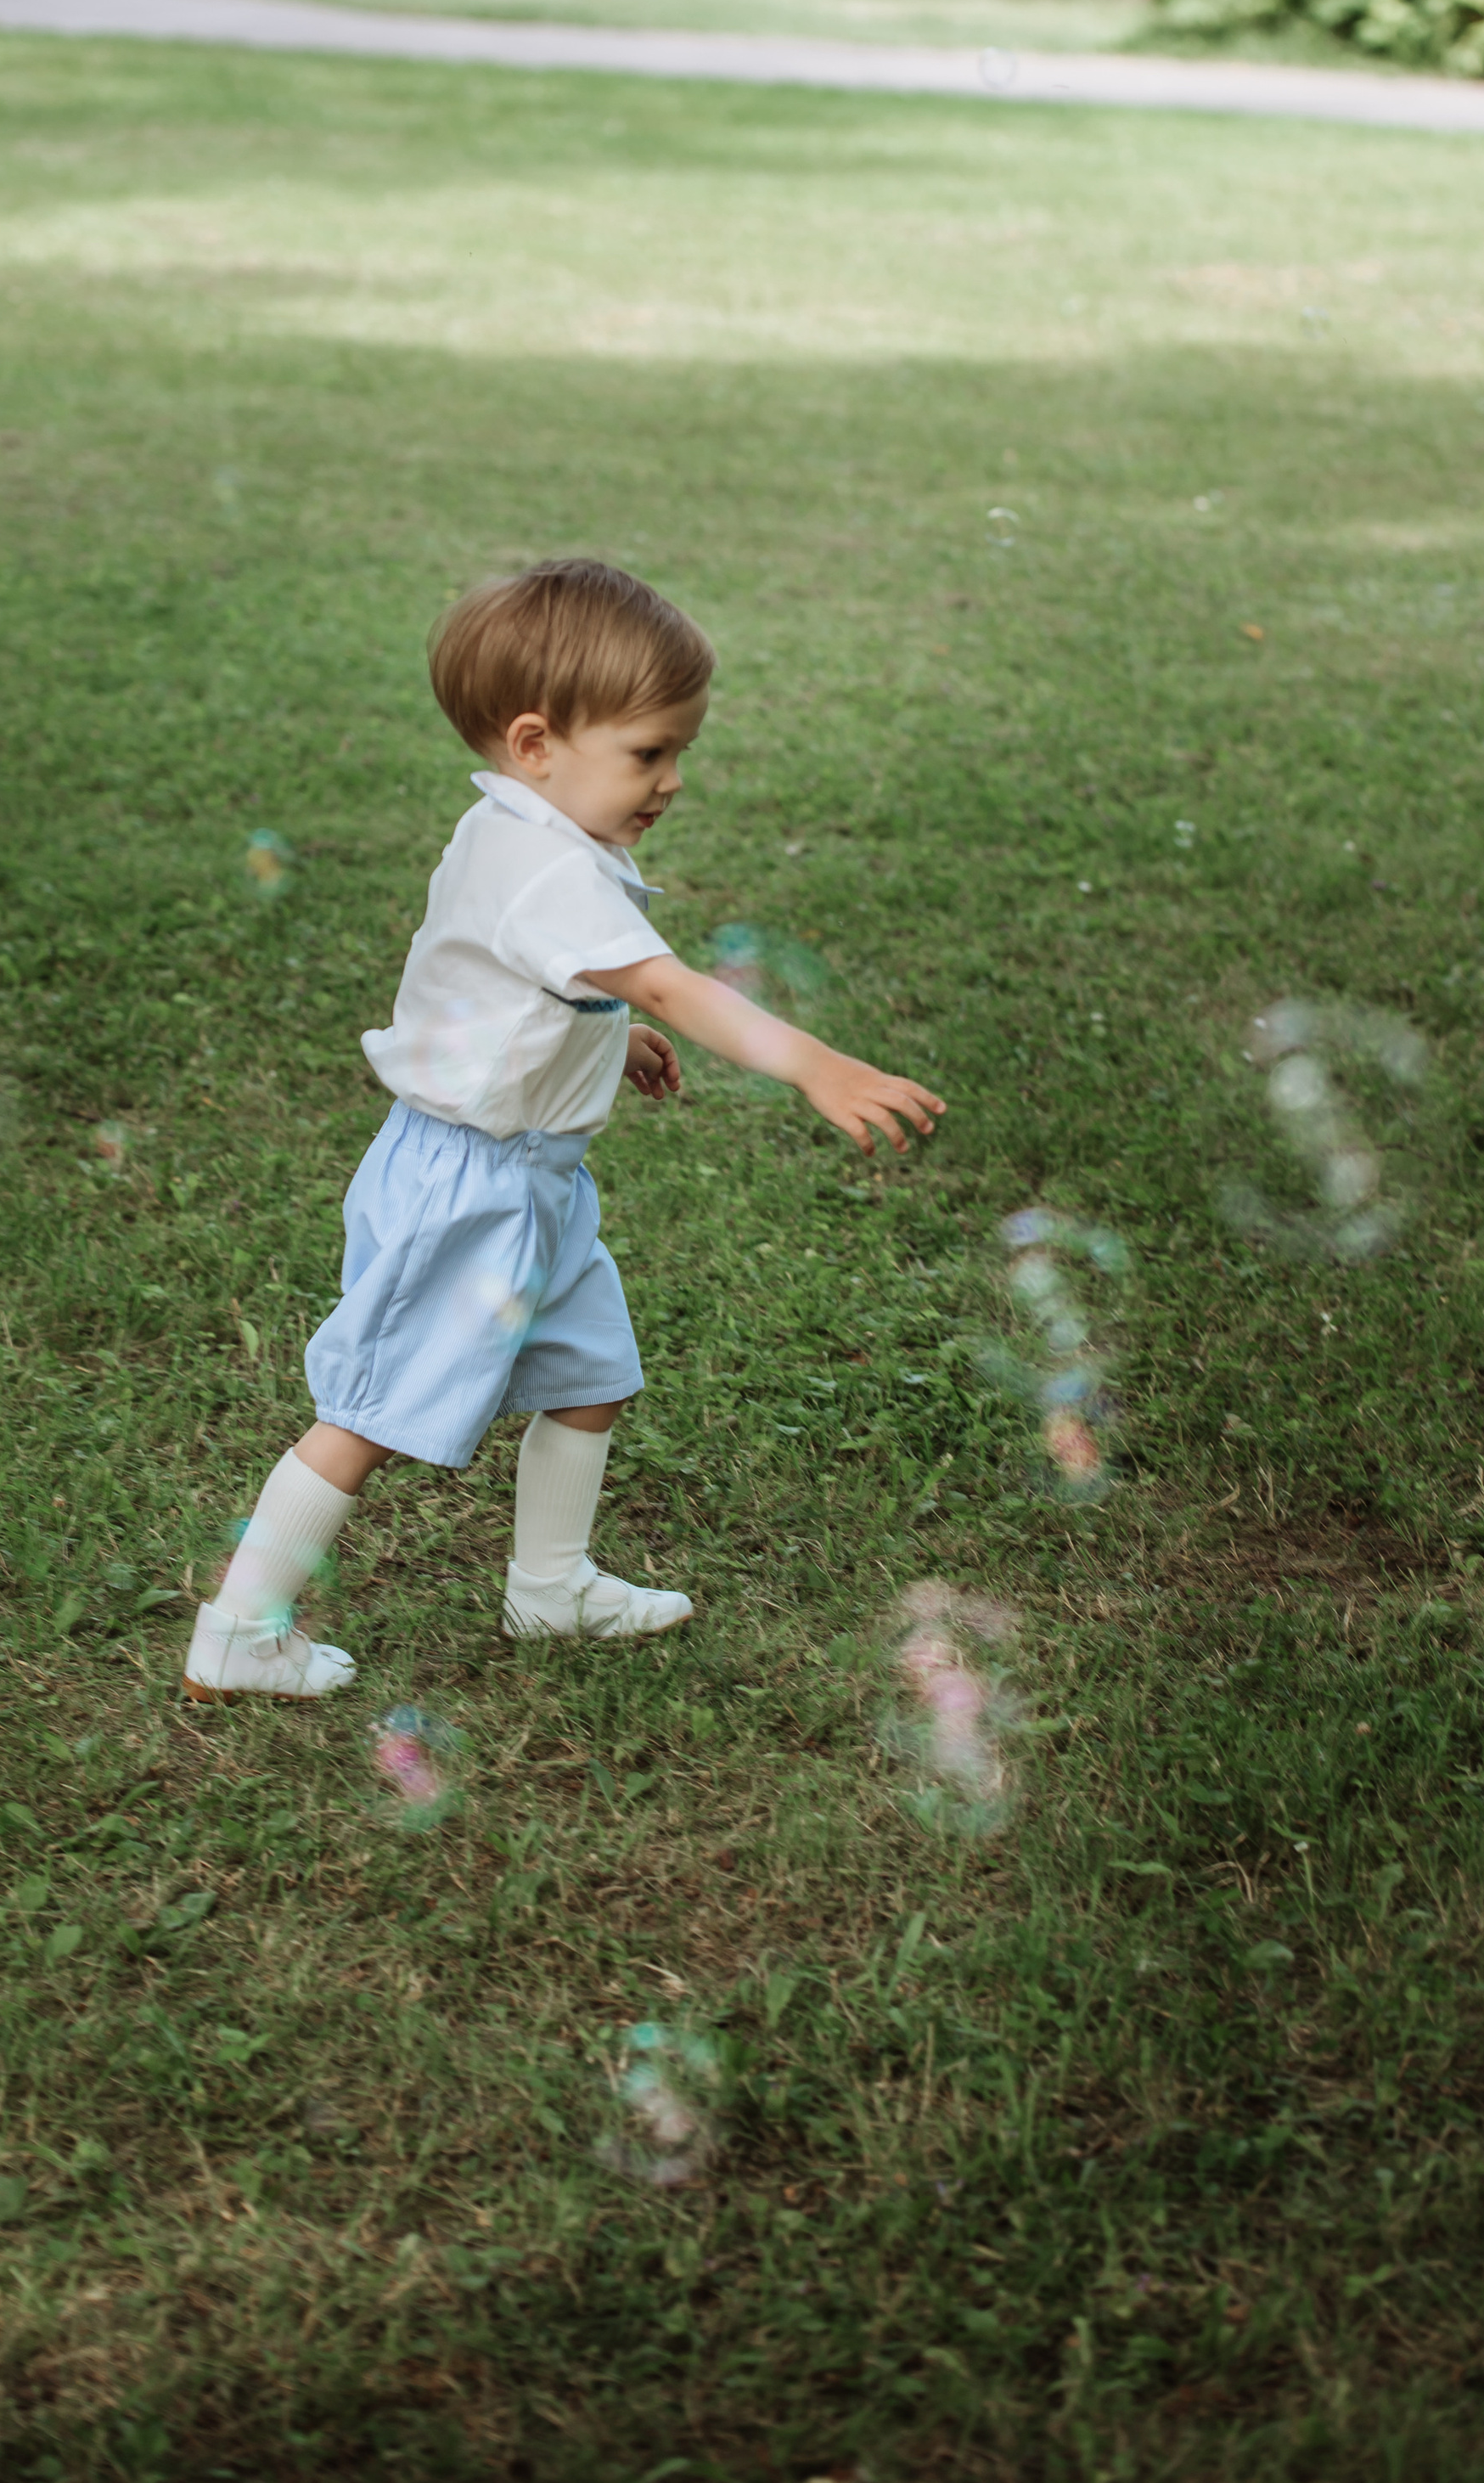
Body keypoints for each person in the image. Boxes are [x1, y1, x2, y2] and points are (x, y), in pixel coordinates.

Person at [184, 556, 945, 1701]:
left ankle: (551, 1585)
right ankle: (240, 1630)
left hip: (533, 1184)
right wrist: (818, 1067)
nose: (674, 781)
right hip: (466, 1189)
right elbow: (673, 985)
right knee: (369, 1415)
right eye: (650, 753)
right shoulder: (544, 870)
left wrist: (600, 1034)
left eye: (682, 750)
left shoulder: (530, 840)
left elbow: (509, 986)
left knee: (591, 1376)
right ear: (536, 744)